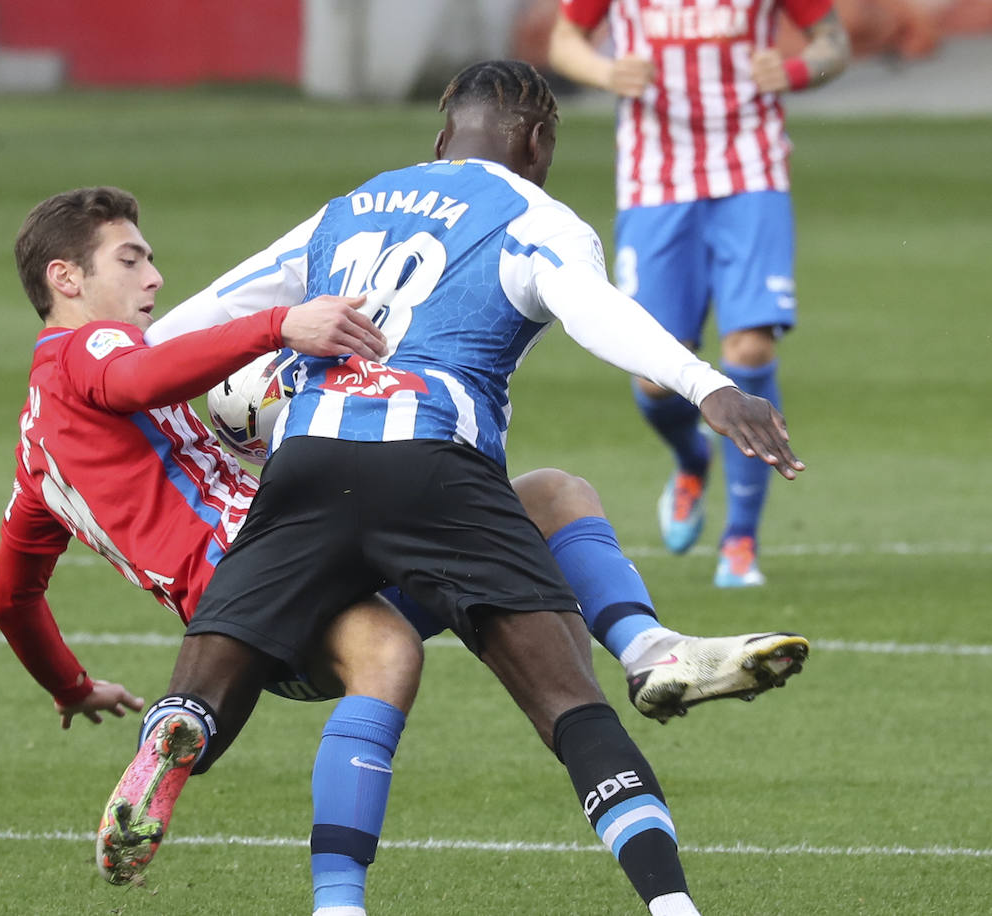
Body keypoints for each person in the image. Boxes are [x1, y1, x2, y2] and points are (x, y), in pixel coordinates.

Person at [98, 60, 806, 916]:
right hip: (434, 469)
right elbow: (595, 310)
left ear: (440, 139)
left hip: (307, 460)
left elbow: (201, 319)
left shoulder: (350, 208)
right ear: (539, 143)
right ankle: (671, 903)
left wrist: (113, 376)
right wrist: (709, 388)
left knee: (227, 669)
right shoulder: (535, 216)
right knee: (569, 705)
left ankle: (186, 728)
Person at [0, 186, 423, 910]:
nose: (154, 277)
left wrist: (71, 686)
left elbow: (11, 600)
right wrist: (280, 325)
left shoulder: (35, 458)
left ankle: (185, 726)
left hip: (233, 630)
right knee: (412, 623)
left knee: (500, 538)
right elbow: (134, 377)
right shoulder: (91, 345)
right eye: (130, 259)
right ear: (66, 280)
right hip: (279, 555)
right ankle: (339, 898)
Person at [547, 0, 850, 587]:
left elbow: (831, 42)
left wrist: (793, 71)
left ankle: (740, 541)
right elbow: (564, 40)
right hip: (654, 180)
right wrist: (607, 72)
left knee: (751, 349)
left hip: (752, 171)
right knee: (655, 375)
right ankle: (691, 459)